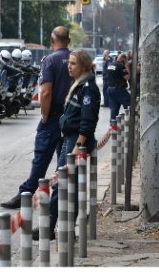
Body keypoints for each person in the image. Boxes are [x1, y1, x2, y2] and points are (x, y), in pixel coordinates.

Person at [0, 26, 72, 209]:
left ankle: (26, 193)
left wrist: (45, 117)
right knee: (64, 161)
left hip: (54, 116)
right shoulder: (75, 59)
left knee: (41, 158)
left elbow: (46, 92)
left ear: (52, 39)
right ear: (68, 41)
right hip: (72, 117)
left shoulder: (50, 60)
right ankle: (63, 201)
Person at [44, 49, 101, 240]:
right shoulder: (78, 84)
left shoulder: (88, 88)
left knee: (70, 186)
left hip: (76, 142)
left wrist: (78, 146)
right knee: (60, 184)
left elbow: (87, 121)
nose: (69, 66)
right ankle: (50, 226)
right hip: (69, 139)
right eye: (69, 62)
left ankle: (67, 230)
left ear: (83, 66)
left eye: (73, 63)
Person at [104, 52, 131, 124]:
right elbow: (127, 77)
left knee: (114, 109)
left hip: (110, 89)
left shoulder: (110, 65)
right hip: (119, 89)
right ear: (123, 59)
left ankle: (112, 127)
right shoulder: (121, 66)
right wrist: (127, 66)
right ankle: (130, 123)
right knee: (129, 106)